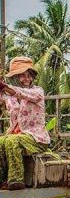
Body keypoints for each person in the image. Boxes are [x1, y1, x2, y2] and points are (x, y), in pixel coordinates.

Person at [0, 56, 50, 190]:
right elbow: (4, 96)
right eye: (22, 76)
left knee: (11, 141)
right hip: (17, 135)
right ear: (15, 77)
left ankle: (16, 180)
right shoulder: (9, 97)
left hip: (36, 138)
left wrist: (5, 87)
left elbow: (21, 93)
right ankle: (2, 179)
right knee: (1, 141)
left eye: (29, 75)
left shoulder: (37, 92)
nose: (26, 78)